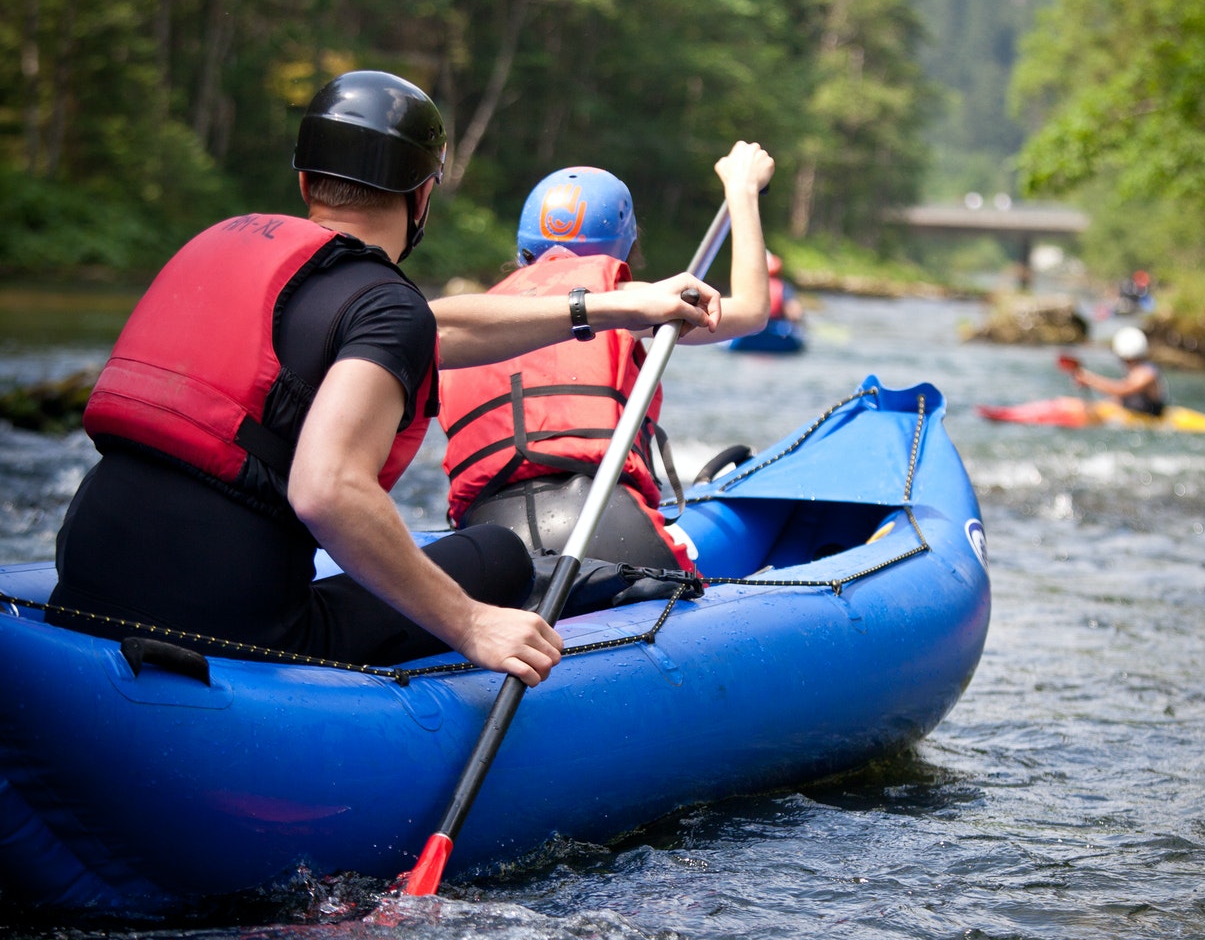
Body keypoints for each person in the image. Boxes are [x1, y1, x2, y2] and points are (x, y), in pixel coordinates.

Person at [49, 71, 720, 680]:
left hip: (82, 582)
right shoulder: (381, 307)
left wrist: (610, 308)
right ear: (422, 194)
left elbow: (433, 328)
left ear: (307, 181)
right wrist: (470, 623)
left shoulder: (227, 249)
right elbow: (327, 488)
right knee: (497, 553)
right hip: (239, 631)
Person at [437, 142, 775, 569]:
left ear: (523, 250)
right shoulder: (622, 301)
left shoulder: (479, 320)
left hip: (485, 541)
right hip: (604, 522)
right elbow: (751, 311)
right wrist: (742, 191)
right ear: (624, 250)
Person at [1068, 325, 1166, 417]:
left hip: (1149, 416)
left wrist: (1089, 379)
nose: (1124, 362)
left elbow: (1122, 390)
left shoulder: (1146, 373)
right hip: (1132, 414)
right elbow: (1121, 398)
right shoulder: (1133, 372)